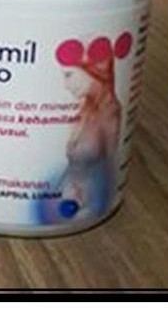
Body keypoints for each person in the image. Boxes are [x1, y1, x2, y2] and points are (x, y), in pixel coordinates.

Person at [56, 38, 122, 218]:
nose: (66, 85)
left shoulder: (110, 114)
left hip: (87, 204)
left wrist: (99, 199)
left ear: (94, 70)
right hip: (67, 194)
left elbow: (111, 167)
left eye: (69, 75)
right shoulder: (83, 110)